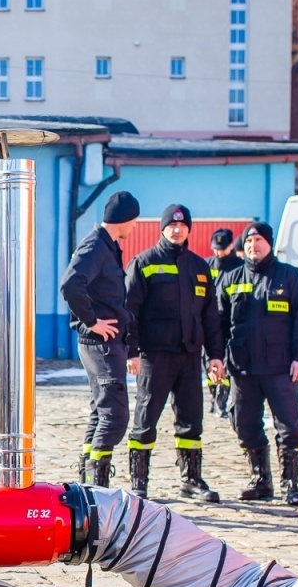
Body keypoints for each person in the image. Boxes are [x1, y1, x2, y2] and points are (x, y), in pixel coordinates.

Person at [124, 205, 226, 502]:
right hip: (154, 356)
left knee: (191, 420)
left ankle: (191, 480)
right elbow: (130, 311)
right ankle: (139, 482)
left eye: (182, 225)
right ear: (163, 228)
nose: (177, 230)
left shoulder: (200, 267)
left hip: (189, 355)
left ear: (189, 229)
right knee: (146, 419)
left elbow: (211, 316)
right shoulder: (144, 263)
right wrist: (131, 351)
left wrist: (215, 355)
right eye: (172, 225)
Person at [216, 221, 298, 506]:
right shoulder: (231, 278)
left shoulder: (289, 277)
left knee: (290, 427)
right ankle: (261, 481)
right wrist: (216, 359)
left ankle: (290, 484)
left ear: (270, 244)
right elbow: (217, 324)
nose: (253, 245)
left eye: (259, 240)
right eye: (248, 241)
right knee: (245, 425)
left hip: (280, 368)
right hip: (242, 368)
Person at [61, 191, 140, 487]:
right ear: (125, 219)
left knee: (101, 412)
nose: (135, 226)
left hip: (106, 345)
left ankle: (88, 483)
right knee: (114, 416)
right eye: (134, 220)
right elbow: (70, 283)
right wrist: (92, 321)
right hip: (101, 346)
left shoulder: (107, 246)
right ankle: (97, 487)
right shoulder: (96, 246)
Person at [207, 227, 243, 421]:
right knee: (209, 364)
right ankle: (213, 397)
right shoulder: (207, 265)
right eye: (215, 249)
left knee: (226, 365)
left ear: (231, 246)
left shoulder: (240, 267)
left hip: (229, 324)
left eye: (222, 249)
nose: (218, 253)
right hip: (209, 323)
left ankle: (222, 400)